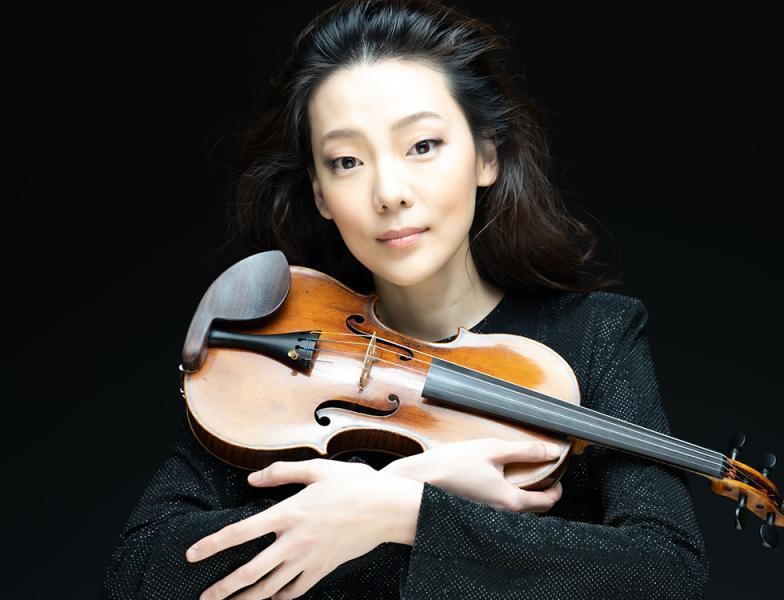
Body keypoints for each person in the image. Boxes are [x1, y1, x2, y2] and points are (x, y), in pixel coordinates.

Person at [101, 0, 710, 598]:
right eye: (347, 161)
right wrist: (384, 499)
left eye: (422, 146)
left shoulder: (595, 336)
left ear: (487, 156)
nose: (389, 192)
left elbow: (664, 572)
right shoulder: (279, 357)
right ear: (319, 192)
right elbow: (138, 573)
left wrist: (407, 512)